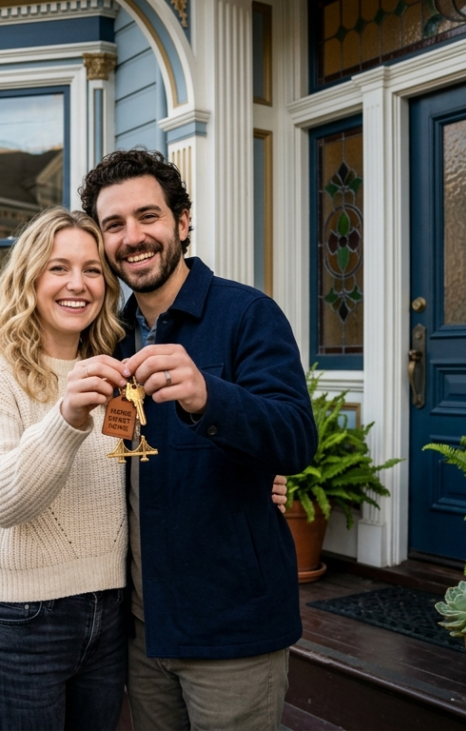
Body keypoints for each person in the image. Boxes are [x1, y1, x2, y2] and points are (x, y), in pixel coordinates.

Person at [0, 207, 290, 731]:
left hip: (112, 617)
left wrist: (258, 475)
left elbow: (138, 463)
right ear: (29, 278)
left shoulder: (121, 361)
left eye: (92, 269)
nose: (78, 284)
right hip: (21, 624)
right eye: (57, 267)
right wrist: (66, 418)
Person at [78, 148, 318, 730]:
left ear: (183, 222)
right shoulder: (109, 337)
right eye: (114, 225)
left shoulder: (247, 314)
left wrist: (208, 396)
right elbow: (117, 456)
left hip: (233, 633)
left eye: (148, 216)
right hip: (143, 631)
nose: (133, 237)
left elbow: (294, 438)